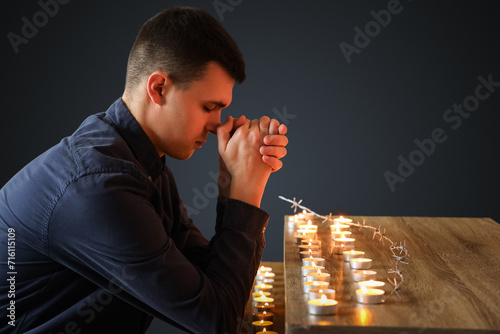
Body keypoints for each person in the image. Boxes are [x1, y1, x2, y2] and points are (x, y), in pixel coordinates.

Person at [0, 6, 288, 334]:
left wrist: (233, 182)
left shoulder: (142, 163)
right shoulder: (100, 186)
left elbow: (209, 280)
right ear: (159, 88)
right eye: (209, 107)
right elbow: (216, 320)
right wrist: (246, 193)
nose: (216, 125)